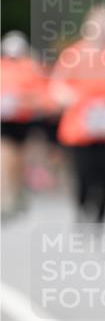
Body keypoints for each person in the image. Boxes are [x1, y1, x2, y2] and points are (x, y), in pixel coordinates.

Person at [50, 5, 105, 225]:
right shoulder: (73, 54)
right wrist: (65, 96)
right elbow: (57, 84)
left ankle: (101, 216)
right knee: (83, 173)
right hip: (80, 128)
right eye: (99, 23)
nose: (104, 29)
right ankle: (82, 207)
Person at [0, 31, 49, 219]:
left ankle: (17, 192)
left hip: (25, 119)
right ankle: (6, 198)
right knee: (6, 158)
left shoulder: (32, 67)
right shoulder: (2, 67)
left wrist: (22, 100)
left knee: (19, 160)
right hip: (5, 120)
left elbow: (42, 93)